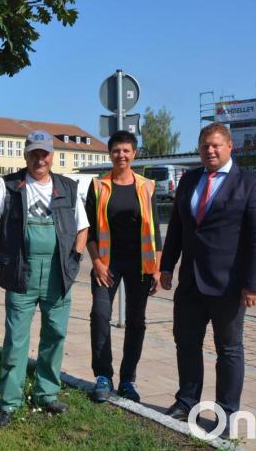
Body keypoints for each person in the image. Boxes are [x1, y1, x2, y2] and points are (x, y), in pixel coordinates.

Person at [0, 130, 89, 428]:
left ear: (52, 155)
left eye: (44, 153)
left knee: (55, 335)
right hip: (21, 271)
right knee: (16, 339)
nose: (40, 158)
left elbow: (82, 227)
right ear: (26, 155)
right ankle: (9, 401)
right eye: (34, 153)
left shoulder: (68, 187)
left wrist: (74, 259)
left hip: (58, 272)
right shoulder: (9, 185)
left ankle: (47, 394)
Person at [160, 123, 256, 434]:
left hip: (230, 286)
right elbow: (178, 228)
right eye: (204, 146)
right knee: (186, 343)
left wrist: (254, 284)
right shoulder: (189, 180)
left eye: (215, 145)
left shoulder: (252, 184)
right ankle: (186, 403)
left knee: (229, 350)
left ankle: (225, 414)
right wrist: (167, 265)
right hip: (191, 283)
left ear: (229, 147)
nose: (210, 151)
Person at [84, 130, 162, 403]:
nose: (121, 155)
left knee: (136, 321)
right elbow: (90, 231)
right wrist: (96, 263)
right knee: (100, 314)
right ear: (110, 153)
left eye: (126, 150)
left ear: (134, 154)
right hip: (107, 263)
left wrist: (157, 266)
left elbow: (155, 230)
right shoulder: (97, 186)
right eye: (117, 150)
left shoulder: (146, 186)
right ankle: (103, 376)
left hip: (140, 264)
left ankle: (128, 379)